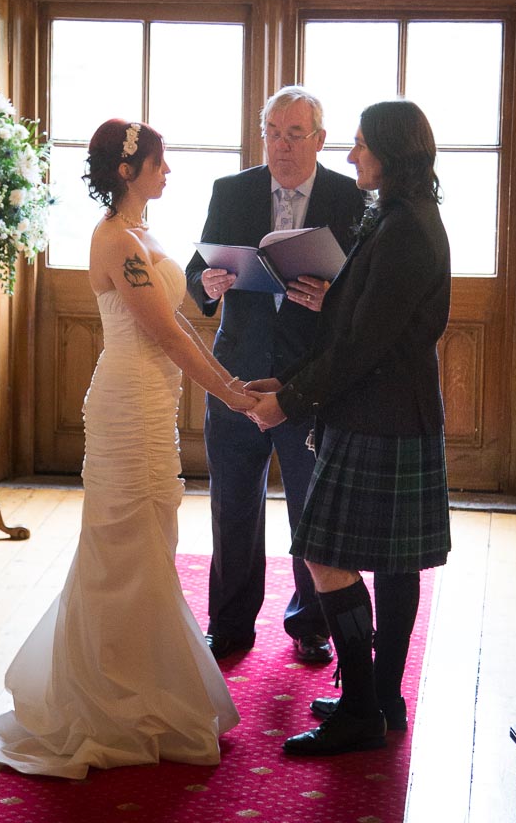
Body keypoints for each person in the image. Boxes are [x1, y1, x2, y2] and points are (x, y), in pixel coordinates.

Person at [0, 119, 257, 776]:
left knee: (153, 537)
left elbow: (179, 315)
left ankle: (146, 686)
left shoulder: (143, 232)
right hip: (126, 406)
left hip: (153, 404)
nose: (169, 172)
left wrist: (219, 341)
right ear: (129, 171)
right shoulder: (113, 239)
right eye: (160, 163)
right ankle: (110, 701)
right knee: (122, 545)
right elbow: (166, 335)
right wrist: (229, 391)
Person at [247, 99, 452, 757]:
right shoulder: (396, 215)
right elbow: (356, 324)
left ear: (390, 152)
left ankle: (364, 708)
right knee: (393, 565)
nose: (350, 154)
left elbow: (364, 345)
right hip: (388, 412)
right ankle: (381, 700)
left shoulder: (405, 229)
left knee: (324, 556)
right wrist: (290, 379)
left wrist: (290, 400)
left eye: (361, 143)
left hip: (380, 417)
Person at [186, 87, 364, 663]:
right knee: (232, 505)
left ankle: (312, 623)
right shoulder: (232, 190)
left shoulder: (349, 198)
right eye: (272, 133)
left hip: (310, 379)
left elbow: (365, 291)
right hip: (237, 373)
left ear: (320, 139)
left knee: (312, 509)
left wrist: (332, 299)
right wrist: (206, 284)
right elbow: (196, 270)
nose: (281, 146)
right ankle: (230, 624)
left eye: (294, 134)